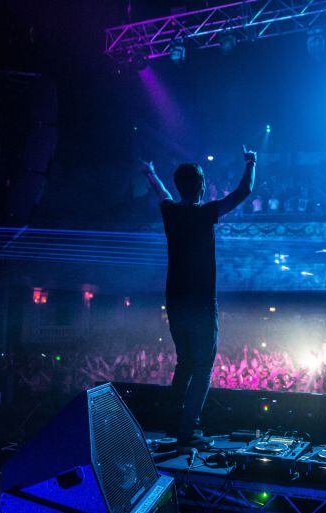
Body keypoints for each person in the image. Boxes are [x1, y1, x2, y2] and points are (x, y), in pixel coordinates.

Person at [142, 146, 256, 448]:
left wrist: (150, 172)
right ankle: (188, 429)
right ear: (202, 186)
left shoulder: (169, 212)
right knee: (203, 365)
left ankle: (172, 423)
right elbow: (244, 191)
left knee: (185, 363)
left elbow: (161, 192)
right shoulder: (206, 214)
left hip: (175, 301)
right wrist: (250, 161)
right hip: (201, 302)